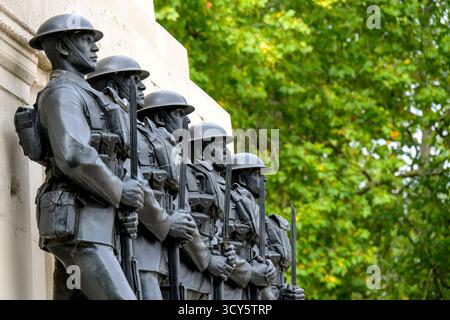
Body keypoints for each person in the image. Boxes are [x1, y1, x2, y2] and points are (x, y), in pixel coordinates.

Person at [28, 14, 144, 299]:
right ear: (64, 47)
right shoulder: (62, 93)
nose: (95, 48)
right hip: (79, 228)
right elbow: (74, 154)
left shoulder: (86, 95)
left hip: (91, 224)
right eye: (86, 40)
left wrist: (122, 203)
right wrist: (119, 191)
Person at [87, 56, 198, 299]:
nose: (142, 86)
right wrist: (167, 224)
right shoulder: (120, 122)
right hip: (133, 239)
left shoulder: (157, 142)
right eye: (134, 79)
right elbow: (133, 180)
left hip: (153, 247)